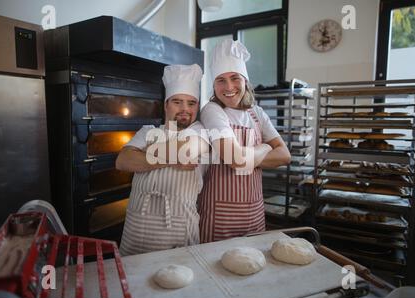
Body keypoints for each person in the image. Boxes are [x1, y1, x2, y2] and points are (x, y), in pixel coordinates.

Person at [198, 39, 291, 243]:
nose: (229, 86)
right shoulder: (213, 111)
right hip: (220, 215)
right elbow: (236, 159)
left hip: (255, 211)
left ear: (245, 80)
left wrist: (246, 156)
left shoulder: (257, 113)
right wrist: (266, 147)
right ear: (213, 85)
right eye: (221, 80)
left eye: (234, 78)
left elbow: (285, 155)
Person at [117, 64, 209, 256]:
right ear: (166, 104)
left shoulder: (201, 131)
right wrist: (172, 159)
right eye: (177, 102)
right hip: (137, 227)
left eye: (191, 103)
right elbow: (123, 161)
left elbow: (183, 150)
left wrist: (144, 154)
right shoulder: (147, 130)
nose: (185, 109)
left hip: (178, 231)